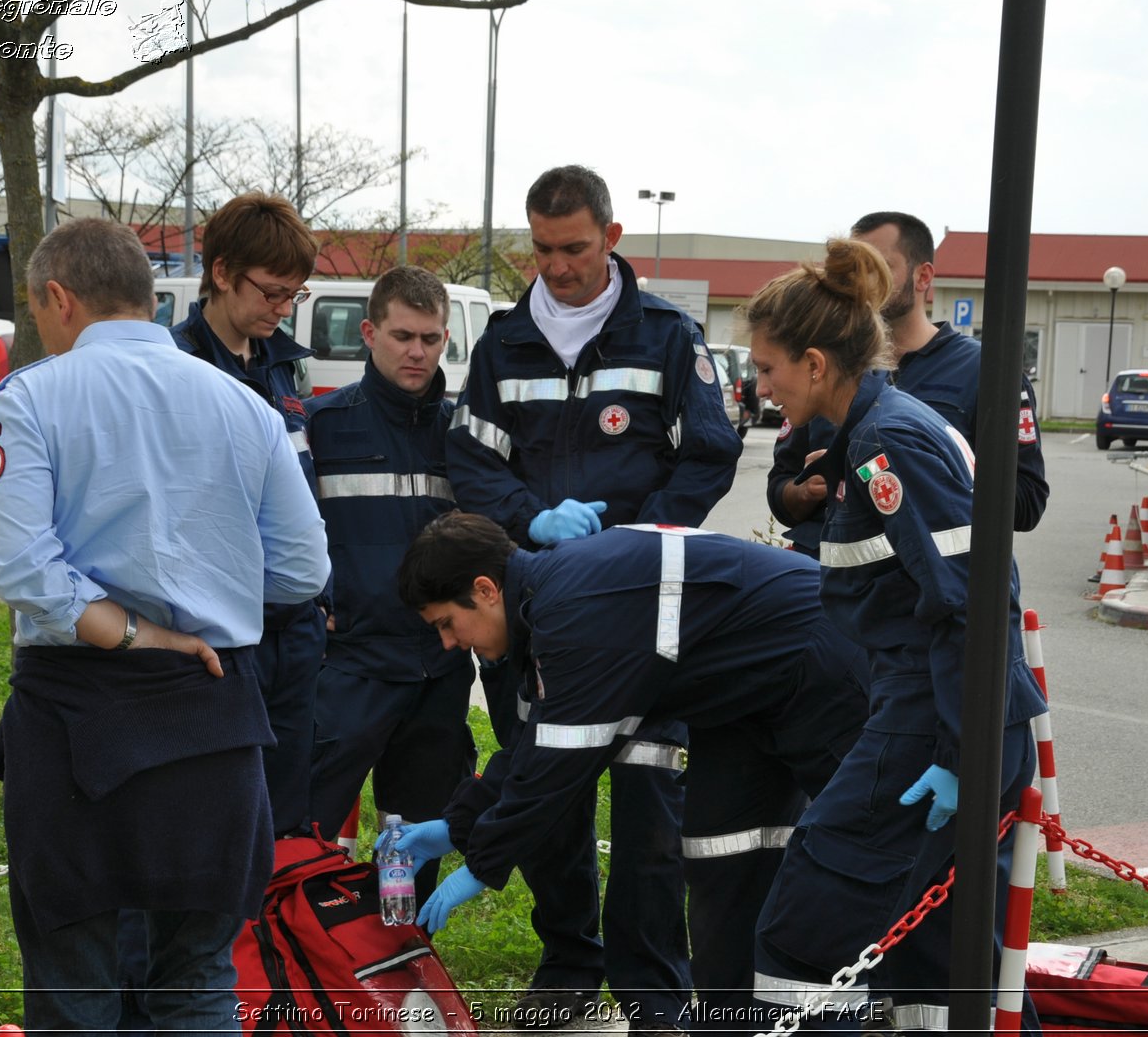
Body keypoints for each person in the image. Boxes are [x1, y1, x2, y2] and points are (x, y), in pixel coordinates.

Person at [0, 218, 330, 1033]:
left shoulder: (32, 394)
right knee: (199, 974)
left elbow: (21, 567)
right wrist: (212, 590)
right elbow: (305, 570)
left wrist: (138, 632)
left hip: (78, 713)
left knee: (77, 979)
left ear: (57, 298)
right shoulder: (245, 406)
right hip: (214, 710)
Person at [445, 164, 743, 1032]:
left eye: (574, 248)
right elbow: (472, 463)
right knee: (550, 787)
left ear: (612, 237)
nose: (557, 266)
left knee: (651, 804)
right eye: (541, 249)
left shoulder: (667, 337)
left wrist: (636, 543)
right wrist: (531, 520)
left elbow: (710, 452)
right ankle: (569, 963)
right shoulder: (503, 343)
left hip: (649, 604)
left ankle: (654, 992)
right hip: (537, 606)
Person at [392, 514, 868, 1031]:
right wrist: (459, 826)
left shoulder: (575, 612)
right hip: (746, 702)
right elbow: (536, 748)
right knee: (721, 860)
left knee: (861, 858)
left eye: (446, 623)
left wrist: (482, 864)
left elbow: (556, 772)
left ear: (484, 590)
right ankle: (734, 1024)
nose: (448, 643)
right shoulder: (548, 609)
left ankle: (905, 1002)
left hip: (820, 666)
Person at [742, 239, 1046, 1030]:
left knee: (801, 933)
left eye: (768, 368)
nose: (761, 385)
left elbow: (970, 605)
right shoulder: (872, 432)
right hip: (927, 710)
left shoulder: (888, 444)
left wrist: (957, 756)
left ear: (814, 363)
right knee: (932, 950)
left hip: (933, 716)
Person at [305, 265, 477, 908]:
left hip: (437, 670)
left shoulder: (464, 435)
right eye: (404, 335)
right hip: (349, 666)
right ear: (370, 333)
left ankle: (398, 952)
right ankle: (310, 955)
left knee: (412, 834)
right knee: (312, 826)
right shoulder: (321, 426)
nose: (418, 352)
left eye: (432, 339)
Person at [171, 191, 328, 837]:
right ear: (222, 271)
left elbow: (303, 488)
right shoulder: (173, 365)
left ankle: (271, 934)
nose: (283, 309)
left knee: (286, 807)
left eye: (295, 295)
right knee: (218, 810)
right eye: (271, 292)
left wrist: (323, 597)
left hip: (295, 628)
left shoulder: (286, 368)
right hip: (221, 632)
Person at [768, 212, 1049, 557]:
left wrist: (908, 473)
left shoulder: (986, 371)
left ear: (923, 276)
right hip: (822, 578)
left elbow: (1027, 501)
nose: (861, 283)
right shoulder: (826, 365)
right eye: (854, 270)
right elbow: (781, 487)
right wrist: (806, 490)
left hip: (919, 589)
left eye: (879, 267)